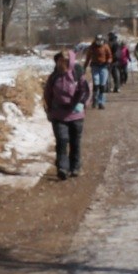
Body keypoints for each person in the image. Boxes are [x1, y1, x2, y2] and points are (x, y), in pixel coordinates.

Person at [43, 49, 89, 179]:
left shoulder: (77, 73)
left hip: (76, 114)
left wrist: (82, 103)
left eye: (64, 61)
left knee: (75, 141)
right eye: (59, 61)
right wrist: (49, 109)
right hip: (58, 114)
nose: (61, 64)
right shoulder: (54, 76)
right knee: (62, 140)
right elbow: (47, 94)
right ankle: (62, 167)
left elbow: (85, 90)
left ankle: (75, 167)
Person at [86, 34, 114, 109]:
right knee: (96, 83)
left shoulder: (105, 46)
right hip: (95, 66)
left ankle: (101, 102)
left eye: (100, 40)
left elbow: (110, 56)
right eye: (97, 40)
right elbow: (88, 57)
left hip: (104, 67)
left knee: (102, 85)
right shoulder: (92, 47)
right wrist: (84, 66)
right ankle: (95, 100)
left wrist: (108, 61)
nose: (99, 42)